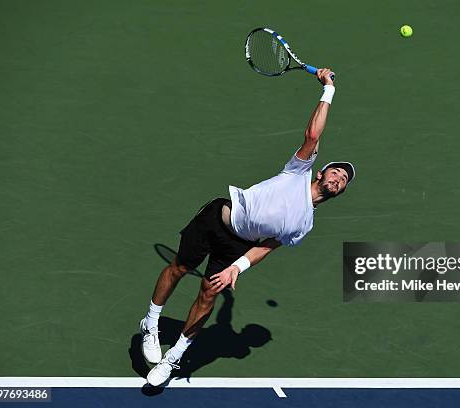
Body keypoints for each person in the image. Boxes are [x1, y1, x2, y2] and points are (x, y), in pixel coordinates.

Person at [140, 68, 355, 386]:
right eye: (337, 171)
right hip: (216, 218)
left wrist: (236, 269)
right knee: (179, 268)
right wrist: (328, 90)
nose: (339, 177)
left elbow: (266, 246)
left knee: (208, 296)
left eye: (344, 180)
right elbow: (312, 135)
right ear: (320, 172)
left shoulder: (304, 224)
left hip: (237, 247)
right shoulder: (298, 170)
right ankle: (151, 322)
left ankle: (173, 360)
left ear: (340, 192)